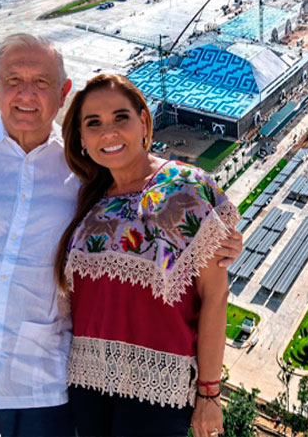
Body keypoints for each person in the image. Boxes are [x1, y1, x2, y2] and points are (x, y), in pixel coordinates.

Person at [0, 34, 242, 437]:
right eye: (13, 80)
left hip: (42, 387)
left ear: (63, 93)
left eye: (41, 82)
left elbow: (194, 259)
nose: (26, 94)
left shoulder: (82, 172)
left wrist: (225, 237)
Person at [56, 74, 238, 437]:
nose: (108, 132)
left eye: (120, 117)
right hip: (85, 381)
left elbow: (215, 297)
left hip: (160, 390)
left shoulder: (188, 188)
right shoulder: (84, 198)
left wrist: (210, 394)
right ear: (81, 140)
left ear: (143, 121)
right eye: (93, 124)